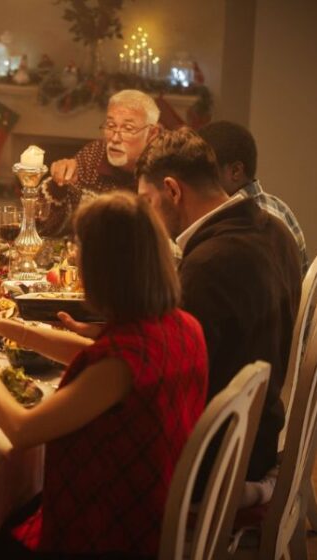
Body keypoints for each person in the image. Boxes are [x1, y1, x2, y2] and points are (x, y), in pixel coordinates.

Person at [0, 192, 208, 557]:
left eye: (81, 248)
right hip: (147, 510)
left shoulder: (119, 367)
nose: (76, 257)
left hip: (105, 535)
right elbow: (89, 353)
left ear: (104, 269)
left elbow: (23, 431)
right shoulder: (181, 326)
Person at [136, 127, 302, 506]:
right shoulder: (274, 230)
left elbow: (162, 379)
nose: (148, 216)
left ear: (173, 190)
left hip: (215, 460)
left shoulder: (210, 263)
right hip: (259, 433)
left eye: (147, 202)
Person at [39, 89, 160, 237]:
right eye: (110, 126)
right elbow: (46, 229)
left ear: (152, 133)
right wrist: (58, 186)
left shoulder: (160, 170)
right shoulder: (94, 154)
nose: (115, 138)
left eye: (128, 128)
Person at [198, 120, 309, 274]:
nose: (197, 180)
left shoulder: (245, 224)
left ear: (236, 171)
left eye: (205, 170)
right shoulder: (281, 208)